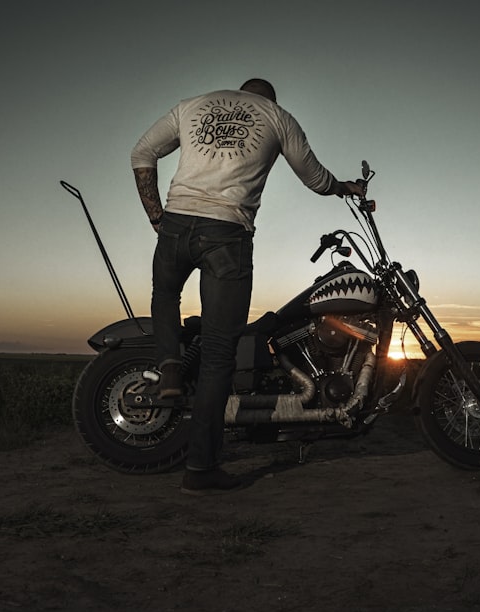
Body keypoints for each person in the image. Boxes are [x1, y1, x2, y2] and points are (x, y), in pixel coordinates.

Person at [130, 78, 364, 495]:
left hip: (177, 224)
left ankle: (168, 365)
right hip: (227, 233)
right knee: (220, 352)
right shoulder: (277, 117)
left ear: (238, 92)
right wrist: (343, 187)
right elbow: (313, 177)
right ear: (269, 98)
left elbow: (141, 152)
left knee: (165, 294)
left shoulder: (191, 104)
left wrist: (157, 218)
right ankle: (200, 469)